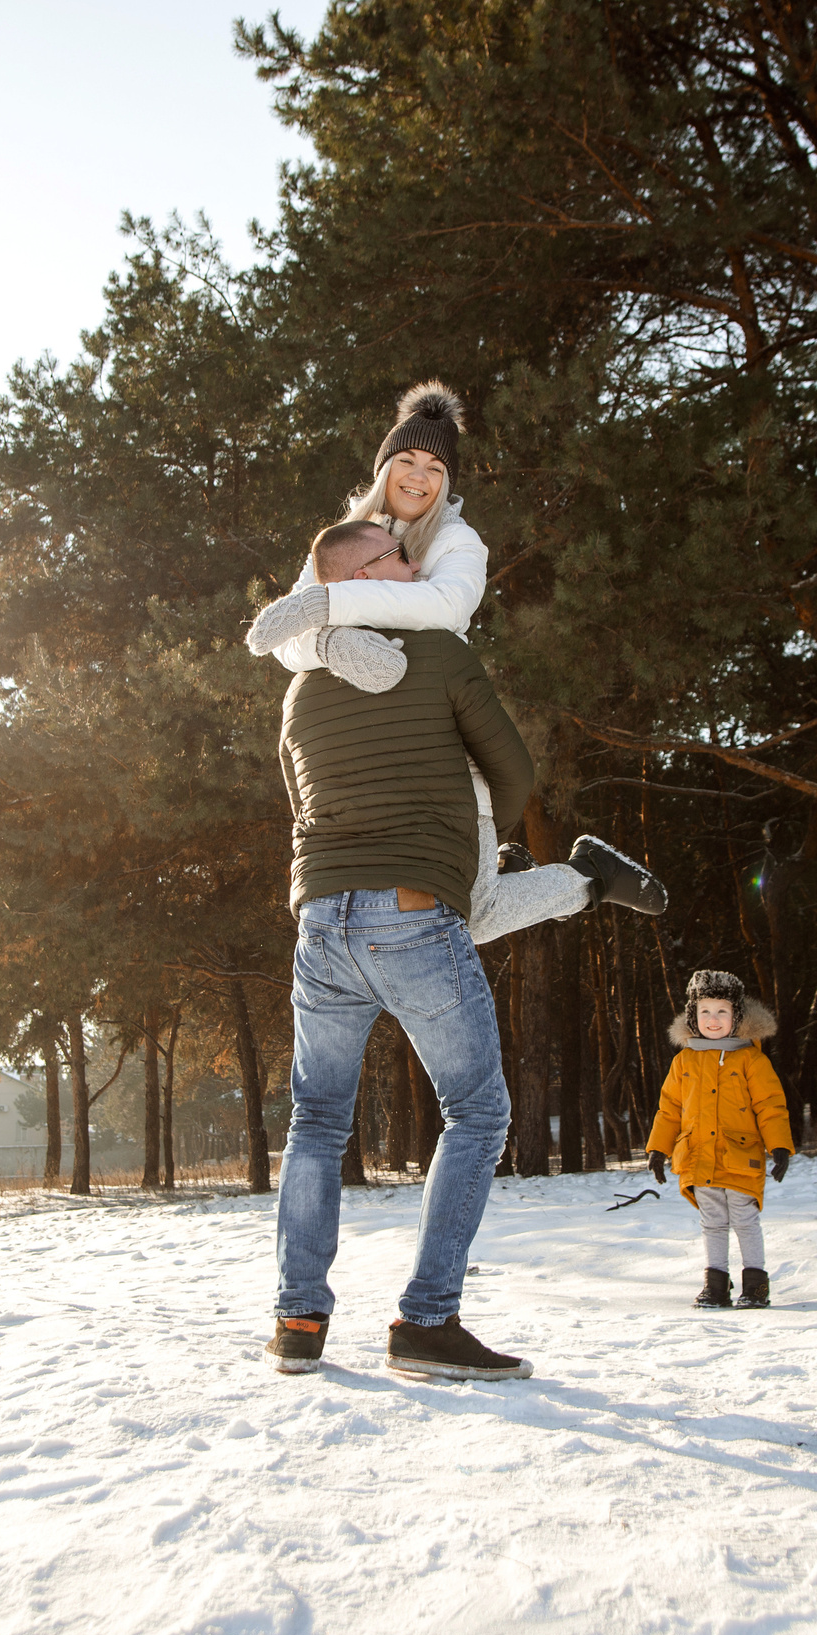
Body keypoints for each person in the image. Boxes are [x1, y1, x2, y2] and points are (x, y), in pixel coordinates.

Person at [244, 380, 665, 939]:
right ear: (384, 466)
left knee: (471, 916)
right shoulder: (339, 538)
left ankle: (590, 875)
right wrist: (328, 644)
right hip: (369, 753)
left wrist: (328, 605)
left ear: (447, 483)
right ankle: (519, 872)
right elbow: (284, 641)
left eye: (436, 469)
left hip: (437, 734)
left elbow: (446, 606)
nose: (419, 477)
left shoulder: (457, 540)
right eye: (407, 460)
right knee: (449, 908)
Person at [264, 525, 539, 1380]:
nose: (415, 566)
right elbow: (514, 773)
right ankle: (427, 1319)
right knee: (478, 1111)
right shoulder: (440, 653)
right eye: (395, 556)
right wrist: (473, 852)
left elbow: (299, 798)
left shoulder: (299, 689)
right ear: (354, 577)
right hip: (413, 908)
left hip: (320, 920)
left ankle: (298, 1319)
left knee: (316, 1119)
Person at [646, 970, 794, 1310]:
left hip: (740, 1155)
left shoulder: (751, 1059)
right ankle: (715, 1284)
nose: (713, 1020)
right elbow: (669, 1109)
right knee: (712, 1223)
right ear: (693, 1016)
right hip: (698, 1157)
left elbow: (770, 1105)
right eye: (705, 1011)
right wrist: (658, 1148)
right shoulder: (684, 1061)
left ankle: (755, 1284)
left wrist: (779, 1145)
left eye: (722, 1011)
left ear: (736, 1016)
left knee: (744, 1220)